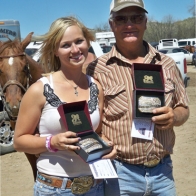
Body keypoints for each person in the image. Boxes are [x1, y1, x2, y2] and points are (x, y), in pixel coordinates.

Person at [87, 0, 190, 195]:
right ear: (111, 25)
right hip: (120, 174)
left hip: (163, 173)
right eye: (121, 19)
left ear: (145, 22)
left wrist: (174, 117)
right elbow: (91, 121)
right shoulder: (96, 69)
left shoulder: (167, 64)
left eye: (136, 17)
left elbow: (183, 108)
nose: (129, 25)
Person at [14, 16, 116, 196]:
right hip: (54, 188)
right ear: (55, 50)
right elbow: (19, 141)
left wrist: (107, 145)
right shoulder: (40, 89)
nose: (75, 50)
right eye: (66, 45)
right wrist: (52, 142)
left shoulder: (96, 87)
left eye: (79, 41)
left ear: (87, 41)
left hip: (95, 186)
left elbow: (96, 133)